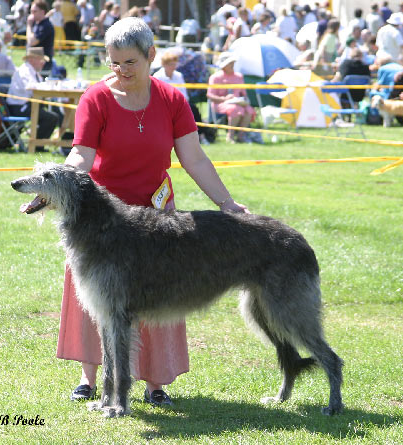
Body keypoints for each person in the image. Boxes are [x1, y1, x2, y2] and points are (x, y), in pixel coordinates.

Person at [57, 17, 249, 406]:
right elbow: (82, 154)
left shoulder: (173, 99)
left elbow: (194, 158)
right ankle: (89, 377)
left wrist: (226, 204)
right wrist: (61, 179)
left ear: (151, 56)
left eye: (130, 62)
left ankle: (155, 382)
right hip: (103, 221)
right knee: (100, 297)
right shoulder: (95, 98)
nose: (121, 71)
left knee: (159, 295)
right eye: (113, 62)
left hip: (157, 216)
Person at [6, 47, 59, 152]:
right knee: (51, 118)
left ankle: (38, 145)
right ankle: (37, 146)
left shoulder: (33, 71)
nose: (43, 63)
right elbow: (31, 88)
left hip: (27, 105)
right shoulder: (25, 71)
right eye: (41, 60)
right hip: (19, 107)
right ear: (31, 59)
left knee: (54, 115)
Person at [153, 51, 210, 145]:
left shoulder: (179, 75)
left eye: (175, 64)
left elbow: (183, 93)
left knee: (194, 110)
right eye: (171, 64)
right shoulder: (157, 76)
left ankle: (201, 136)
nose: (173, 66)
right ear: (164, 64)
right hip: (163, 105)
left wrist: (183, 104)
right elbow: (157, 96)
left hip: (178, 104)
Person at [207, 52, 256, 144]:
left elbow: (243, 94)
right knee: (235, 109)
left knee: (249, 110)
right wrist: (225, 99)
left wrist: (242, 100)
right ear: (224, 65)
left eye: (233, 63)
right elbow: (210, 95)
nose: (232, 65)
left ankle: (241, 136)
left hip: (238, 103)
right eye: (230, 63)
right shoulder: (215, 77)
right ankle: (230, 136)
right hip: (220, 104)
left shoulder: (239, 76)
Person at [26, 0, 55, 72]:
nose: (31, 14)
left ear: (42, 12)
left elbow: (32, 41)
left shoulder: (45, 26)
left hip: (42, 65)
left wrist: (29, 25)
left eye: (34, 11)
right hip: (34, 64)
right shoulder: (37, 24)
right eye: (31, 11)